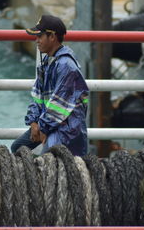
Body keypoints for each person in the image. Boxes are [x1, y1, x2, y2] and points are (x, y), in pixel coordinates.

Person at [11, 15, 89, 156]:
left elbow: (59, 106)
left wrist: (42, 128)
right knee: (17, 147)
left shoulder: (66, 66)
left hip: (66, 129)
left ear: (52, 36)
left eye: (40, 36)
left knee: (49, 162)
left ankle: (37, 171)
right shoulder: (47, 61)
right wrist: (34, 123)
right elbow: (37, 96)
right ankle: (32, 171)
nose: (36, 40)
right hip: (48, 123)